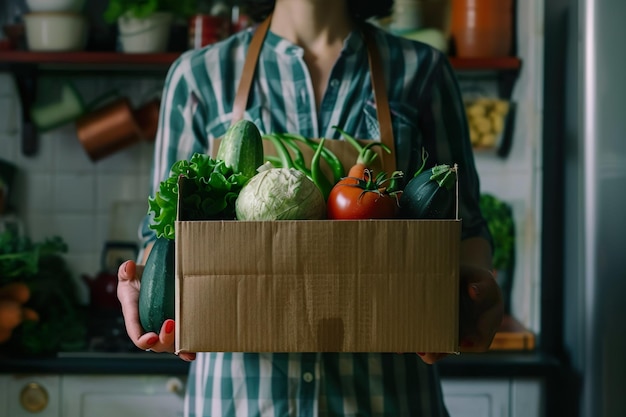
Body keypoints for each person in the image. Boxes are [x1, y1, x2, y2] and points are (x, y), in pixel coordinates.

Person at [117, 0, 504, 415]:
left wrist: (477, 291)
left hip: (387, 397)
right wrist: (150, 290)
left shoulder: (421, 71)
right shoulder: (198, 76)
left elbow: (465, 229)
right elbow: (163, 235)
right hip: (240, 400)